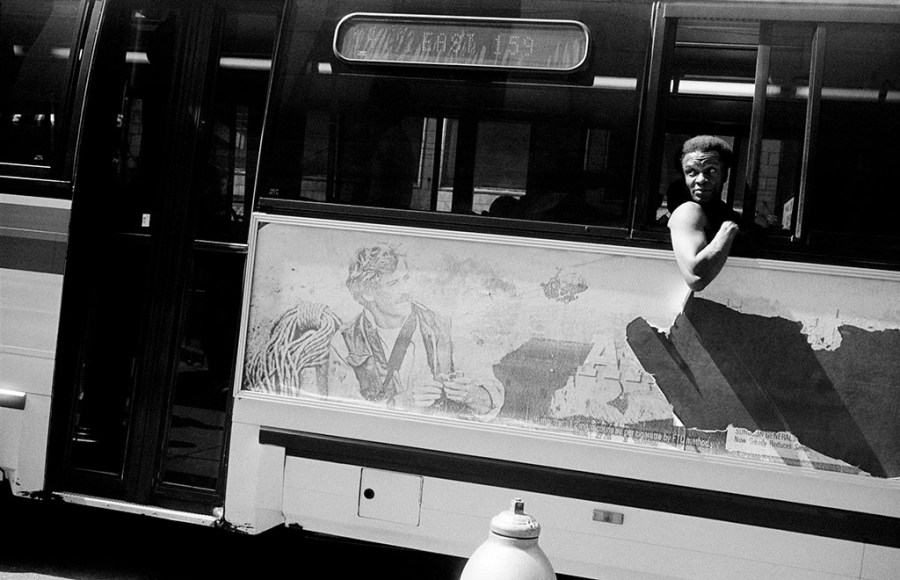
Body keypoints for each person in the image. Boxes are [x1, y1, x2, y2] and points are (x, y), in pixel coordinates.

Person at [327, 244, 504, 420]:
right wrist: (401, 403)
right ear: (367, 293)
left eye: (406, 279)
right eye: (393, 283)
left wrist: (470, 395)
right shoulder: (344, 342)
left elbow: (492, 399)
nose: (405, 291)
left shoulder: (445, 327)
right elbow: (344, 418)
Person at [667, 135, 741, 292]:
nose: (701, 179)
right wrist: (727, 232)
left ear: (724, 176)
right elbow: (696, 277)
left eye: (711, 171)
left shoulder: (723, 211)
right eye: (692, 172)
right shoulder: (688, 211)